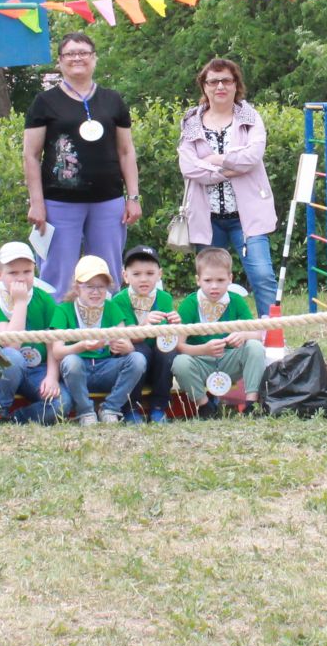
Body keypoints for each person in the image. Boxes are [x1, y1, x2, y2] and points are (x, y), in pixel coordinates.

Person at [25, 32, 140, 297]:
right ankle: (56, 334)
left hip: (108, 201)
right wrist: (36, 201)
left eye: (84, 52)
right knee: (57, 273)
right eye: (70, 54)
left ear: (94, 58)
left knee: (107, 271)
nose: (77, 58)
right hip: (59, 203)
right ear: (60, 61)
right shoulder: (44, 102)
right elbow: (31, 155)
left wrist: (132, 197)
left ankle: (110, 333)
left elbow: (125, 151)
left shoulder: (112, 100)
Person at [178, 58, 278, 317]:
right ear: (204, 86)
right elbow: (189, 168)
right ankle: (213, 337)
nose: (220, 86)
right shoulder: (191, 121)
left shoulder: (250, 117)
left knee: (262, 276)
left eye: (226, 80)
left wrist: (214, 161)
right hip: (207, 218)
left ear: (236, 85)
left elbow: (252, 157)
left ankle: (272, 338)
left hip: (248, 218)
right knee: (211, 282)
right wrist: (230, 169)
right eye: (213, 81)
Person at [171, 247, 268, 417]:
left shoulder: (236, 301)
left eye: (220, 280)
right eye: (208, 280)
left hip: (229, 360)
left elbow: (259, 334)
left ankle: (251, 404)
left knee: (254, 346)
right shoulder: (189, 304)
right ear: (198, 280)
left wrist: (244, 335)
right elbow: (178, 346)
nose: (214, 286)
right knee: (180, 363)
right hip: (199, 362)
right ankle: (205, 406)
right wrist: (203, 350)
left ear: (230, 279)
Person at [0, 241, 64, 425]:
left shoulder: (44, 300)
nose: (21, 278)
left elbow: (53, 342)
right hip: (2, 373)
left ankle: (15, 419)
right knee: (12, 357)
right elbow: (12, 344)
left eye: (27, 272)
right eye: (13, 273)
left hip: (37, 370)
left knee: (61, 404)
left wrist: (51, 377)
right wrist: (20, 303)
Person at [52, 255, 144, 425]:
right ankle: (85, 411)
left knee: (138, 359)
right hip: (77, 372)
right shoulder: (63, 310)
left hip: (105, 368)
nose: (96, 292)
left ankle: (110, 408)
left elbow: (129, 346)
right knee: (72, 362)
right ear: (77, 287)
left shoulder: (111, 307)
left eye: (101, 287)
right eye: (89, 286)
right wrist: (81, 346)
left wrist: (124, 347)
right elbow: (57, 352)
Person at [111, 246, 181, 423]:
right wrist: (144, 324)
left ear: (159, 274)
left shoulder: (164, 298)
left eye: (150, 273)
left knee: (168, 351)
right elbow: (124, 339)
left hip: (158, 363)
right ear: (125, 276)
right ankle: (131, 407)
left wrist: (175, 324)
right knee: (136, 351)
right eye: (136, 274)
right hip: (135, 362)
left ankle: (159, 407)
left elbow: (166, 336)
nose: (144, 279)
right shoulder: (119, 300)